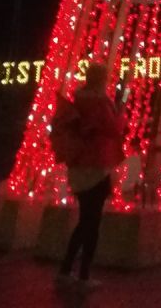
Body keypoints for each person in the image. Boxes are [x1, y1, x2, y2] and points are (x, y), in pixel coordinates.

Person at [51, 62, 126, 288]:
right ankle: (83, 275)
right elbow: (114, 129)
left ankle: (66, 269)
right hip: (96, 168)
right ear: (101, 79)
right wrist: (121, 108)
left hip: (78, 167)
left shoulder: (78, 100)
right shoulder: (101, 102)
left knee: (85, 221)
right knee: (92, 224)